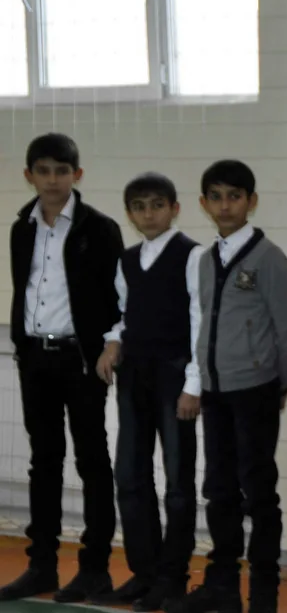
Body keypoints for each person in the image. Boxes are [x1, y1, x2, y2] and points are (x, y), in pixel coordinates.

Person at [168, 160, 287, 613]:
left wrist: (280, 383)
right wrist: (203, 379)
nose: (225, 206)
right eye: (216, 197)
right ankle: (221, 586)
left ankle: (263, 595)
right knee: (219, 490)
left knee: (259, 493)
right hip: (216, 392)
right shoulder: (206, 260)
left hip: (256, 391)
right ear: (204, 204)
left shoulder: (269, 258)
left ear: (251, 201)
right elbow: (205, 323)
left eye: (234, 196)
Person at [1, 133, 122, 604]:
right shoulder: (21, 229)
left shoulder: (101, 229)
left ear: (77, 174)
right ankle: (42, 566)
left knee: (92, 462)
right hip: (35, 358)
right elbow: (26, 287)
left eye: (62, 171)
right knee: (44, 462)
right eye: (43, 171)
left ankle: (95, 569)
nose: (52, 180)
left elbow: (115, 298)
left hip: (81, 361)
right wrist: (22, 343)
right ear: (29, 175)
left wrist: (109, 346)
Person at [94, 173, 205, 612]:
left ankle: (172, 578)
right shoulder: (127, 259)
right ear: (130, 214)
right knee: (129, 477)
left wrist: (193, 384)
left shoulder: (192, 255)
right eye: (139, 207)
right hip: (134, 376)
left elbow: (200, 322)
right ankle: (144, 571)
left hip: (175, 376)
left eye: (157, 205)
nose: (148, 214)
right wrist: (112, 341)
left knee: (178, 484)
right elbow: (124, 313)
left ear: (174, 208)